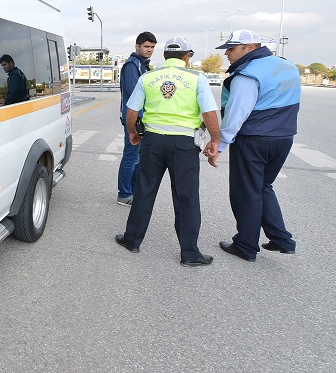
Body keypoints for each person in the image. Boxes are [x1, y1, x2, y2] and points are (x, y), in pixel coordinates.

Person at [115, 36, 220, 267]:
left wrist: (132, 132)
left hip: (152, 142)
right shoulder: (197, 78)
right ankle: (190, 254)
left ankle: (132, 240)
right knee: (186, 197)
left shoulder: (148, 76)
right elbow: (209, 114)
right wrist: (215, 139)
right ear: (186, 56)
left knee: (144, 191)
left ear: (164, 56)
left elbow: (131, 110)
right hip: (184, 145)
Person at [207, 29, 300, 262]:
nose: (226, 53)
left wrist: (220, 144)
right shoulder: (287, 66)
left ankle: (246, 246)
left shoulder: (248, 74)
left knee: (245, 192)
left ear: (250, 48)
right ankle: (281, 239)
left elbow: (237, 113)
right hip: (284, 137)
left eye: (231, 48)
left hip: (254, 140)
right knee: (262, 187)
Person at [116, 31, 157, 206]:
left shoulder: (143, 65)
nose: (150, 50)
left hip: (142, 117)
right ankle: (124, 194)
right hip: (134, 118)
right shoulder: (132, 65)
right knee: (131, 156)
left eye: (152, 47)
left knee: (138, 157)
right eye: (146, 46)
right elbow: (135, 94)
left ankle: (132, 191)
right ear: (137, 46)